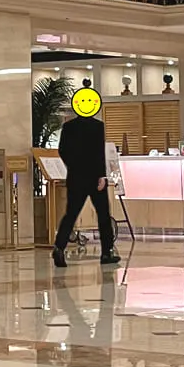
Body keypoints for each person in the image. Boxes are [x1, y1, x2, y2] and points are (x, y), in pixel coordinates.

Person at [52, 95, 120, 269]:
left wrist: (73, 167)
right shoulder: (97, 126)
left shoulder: (68, 127)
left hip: (75, 177)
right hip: (95, 177)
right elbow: (98, 153)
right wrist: (101, 175)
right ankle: (107, 252)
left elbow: (62, 150)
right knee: (103, 214)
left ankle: (59, 246)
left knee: (71, 214)